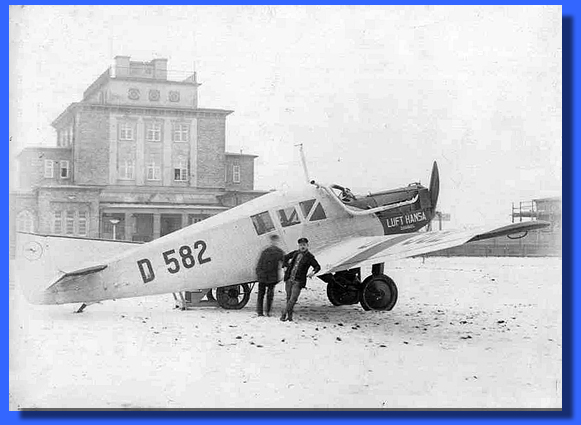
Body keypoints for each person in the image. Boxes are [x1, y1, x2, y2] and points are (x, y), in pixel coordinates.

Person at [280, 237, 321, 322]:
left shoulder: (310, 257)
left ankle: (284, 312)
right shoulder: (295, 253)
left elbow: (317, 267)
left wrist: (312, 273)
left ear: (307, 245)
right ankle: (289, 317)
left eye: (304, 245)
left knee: (293, 299)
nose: (302, 246)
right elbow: (285, 257)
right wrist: (284, 266)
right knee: (288, 298)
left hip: (298, 281)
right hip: (289, 279)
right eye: (301, 245)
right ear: (299, 246)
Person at [255, 234, 285, 317]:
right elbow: (259, 263)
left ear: (277, 242)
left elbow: (284, 262)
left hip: (272, 277)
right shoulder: (265, 251)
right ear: (271, 241)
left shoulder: (279, 252)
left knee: (270, 295)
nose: (274, 242)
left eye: (275, 241)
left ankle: (268, 311)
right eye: (273, 241)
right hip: (263, 276)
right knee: (261, 295)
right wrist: (259, 273)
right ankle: (260, 312)